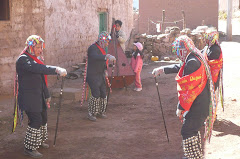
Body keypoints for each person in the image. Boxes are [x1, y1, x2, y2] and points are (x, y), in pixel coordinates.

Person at [152, 35, 215, 159]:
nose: (177, 55)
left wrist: (181, 107)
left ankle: (193, 156)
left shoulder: (192, 62)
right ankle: (195, 155)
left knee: (187, 130)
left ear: (183, 50)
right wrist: (162, 69)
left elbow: (188, 89)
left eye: (178, 52)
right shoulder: (194, 56)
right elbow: (181, 66)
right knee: (192, 128)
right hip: (201, 102)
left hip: (198, 104)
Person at [16, 35, 67, 158]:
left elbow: (40, 78)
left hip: (38, 95)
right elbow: (37, 69)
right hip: (29, 97)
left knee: (43, 119)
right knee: (36, 120)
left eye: (41, 47)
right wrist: (56, 69)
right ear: (31, 47)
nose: (40, 50)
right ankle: (29, 148)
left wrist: (47, 94)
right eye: (38, 47)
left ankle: (38, 141)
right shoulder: (23, 59)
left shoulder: (35, 59)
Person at [86, 31, 116, 122]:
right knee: (96, 94)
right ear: (102, 41)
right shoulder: (93, 48)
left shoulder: (102, 49)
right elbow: (94, 57)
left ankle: (100, 111)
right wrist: (106, 56)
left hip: (100, 74)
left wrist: (105, 69)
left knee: (103, 93)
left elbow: (102, 61)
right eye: (106, 42)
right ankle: (91, 113)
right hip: (93, 75)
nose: (107, 44)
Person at [203, 28, 223, 121]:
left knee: (212, 97)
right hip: (209, 77)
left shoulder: (215, 49)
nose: (206, 39)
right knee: (208, 96)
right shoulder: (209, 47)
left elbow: (211, 63)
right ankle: (209, 116)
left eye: (208, 37)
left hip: (213, 77)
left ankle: (212, 117)